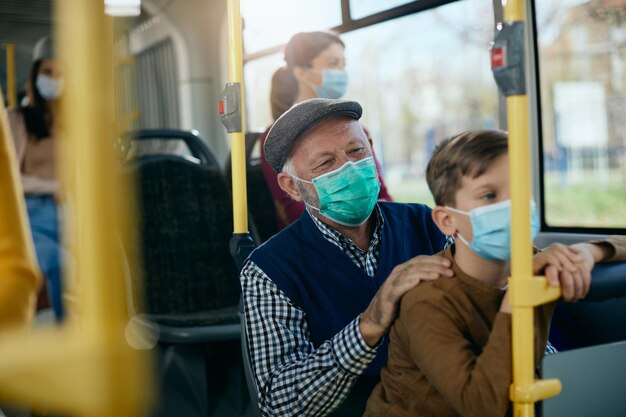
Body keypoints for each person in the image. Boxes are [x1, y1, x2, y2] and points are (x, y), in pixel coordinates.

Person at [363, 129, 626, 417]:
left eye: (520, 191)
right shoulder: (428, 300)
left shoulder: (526, 258)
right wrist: (518, 298)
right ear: (448, 220)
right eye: (489, 195)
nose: (511, 208)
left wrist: (589, 252)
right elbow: (482, 406)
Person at [241, 98, 454, 417]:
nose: (350, 168)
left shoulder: (428, 225)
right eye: (326, 163)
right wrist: (368, 326)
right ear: (292, 187)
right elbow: (280, 404)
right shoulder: (269, 270)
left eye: (357, 152)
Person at [258, 31, 393, 230]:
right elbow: (293, 211)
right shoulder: (277, 139)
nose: (341, 72)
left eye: (343, 65)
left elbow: (381, 193)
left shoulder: (355, 128)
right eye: (332, 64)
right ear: (302, 72)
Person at [6, 36, 64, 320]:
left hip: (74, 211)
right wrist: (54, 186)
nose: (54, 80)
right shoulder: (17, 119)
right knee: (57, 263)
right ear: (35, 75)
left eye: (60, 73)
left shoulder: (77, 122)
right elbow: (11, 177)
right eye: (47, 72)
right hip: (34, 214)